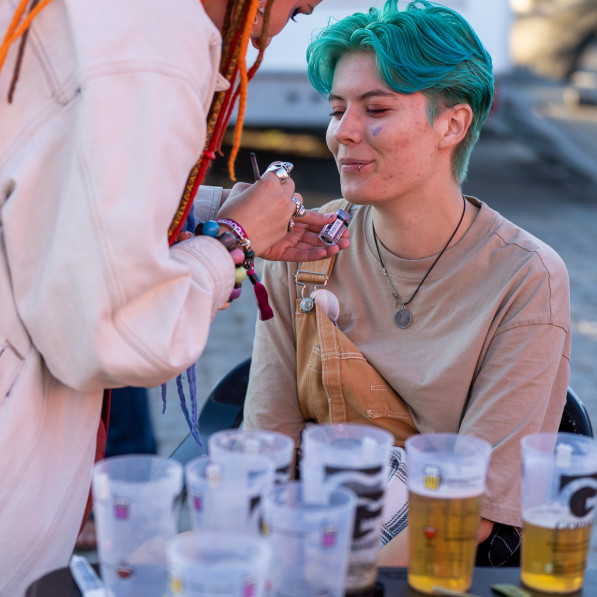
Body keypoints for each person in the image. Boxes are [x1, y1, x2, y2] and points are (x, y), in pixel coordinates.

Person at [0, 0, 350, 593]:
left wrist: (214, 215)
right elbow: (121, 331)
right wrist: (232, 243)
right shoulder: (154, 43)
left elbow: (61, 192)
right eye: (342, 108)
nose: (312, 5)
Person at [244, 0, 571, 568]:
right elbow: (266, 454)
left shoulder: (526, 279)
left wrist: (315, 573)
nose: (343, 133)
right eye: (336, 108)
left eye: (376, 109)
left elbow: (472, 513)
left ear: (453, 124)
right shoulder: (298, 249)